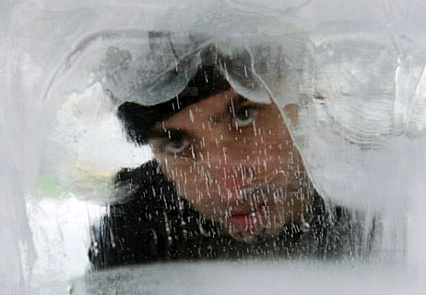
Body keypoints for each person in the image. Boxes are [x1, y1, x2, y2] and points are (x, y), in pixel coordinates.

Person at [89, 54, 368, 271]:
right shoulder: (137, 235)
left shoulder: (374, 197)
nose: (230, 190)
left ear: (300, 104)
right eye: (176, 145)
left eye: (245, 117)